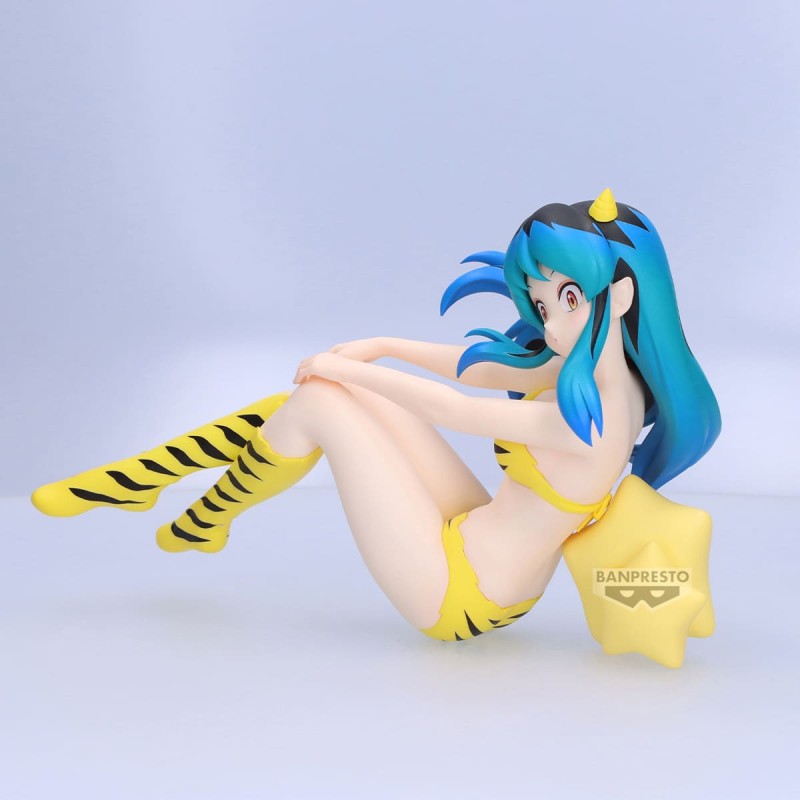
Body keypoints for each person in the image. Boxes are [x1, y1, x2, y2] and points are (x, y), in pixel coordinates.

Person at [32, 189, 721, 648]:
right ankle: (169, 497)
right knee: (334, 396)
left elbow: (459, 411)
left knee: (324, 401)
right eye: (542, 303)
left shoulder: (597, 417)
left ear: (620, 294)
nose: (550, 321)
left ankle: (197, 510)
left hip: (461, 594)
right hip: (478, 538)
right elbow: (484, 371)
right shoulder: (597, 373)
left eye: (567, 299)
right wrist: (381, 346)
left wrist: (351, 370)